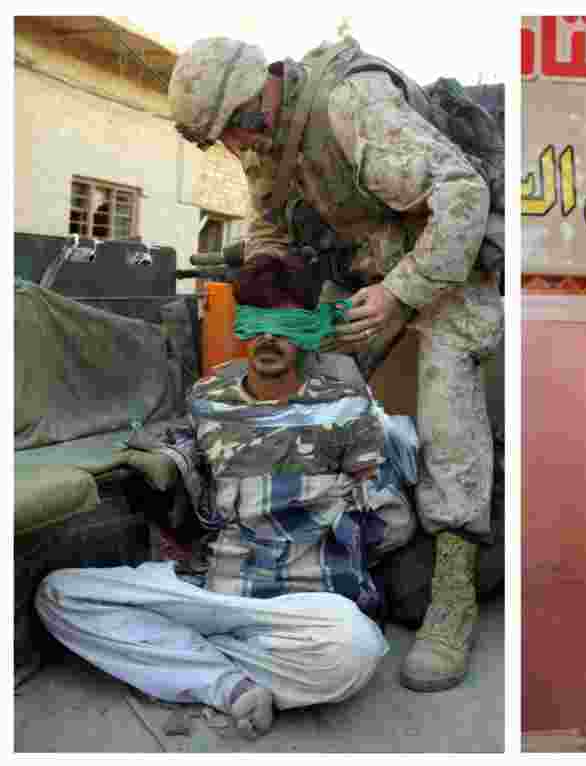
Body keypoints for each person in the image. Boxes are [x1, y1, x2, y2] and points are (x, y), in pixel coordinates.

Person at [167, 36, 503, 692]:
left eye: (239, 126)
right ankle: (324, 541)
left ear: (262, 86)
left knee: (447, 387)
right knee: (309, 381)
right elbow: (267, 226)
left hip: (449, 257)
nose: (239, 146)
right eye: (224, 138)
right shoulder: (262, 139)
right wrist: (273, 282)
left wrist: (403, 294)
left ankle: (453, 593)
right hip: (367, 266)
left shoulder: (351, 103)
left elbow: (462, 195)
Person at [36, 301, 415, 737]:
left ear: (308, 334)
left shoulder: (346, 409)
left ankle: (196, 666)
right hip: (216, 591)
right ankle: (232, 680)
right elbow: (187, 464)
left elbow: (389, 524)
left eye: (284, 326)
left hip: (304, 607)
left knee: (356, 646)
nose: (268, 338)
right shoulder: (208, 399)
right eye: (256, 323)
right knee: (60, 595)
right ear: (241, 328)